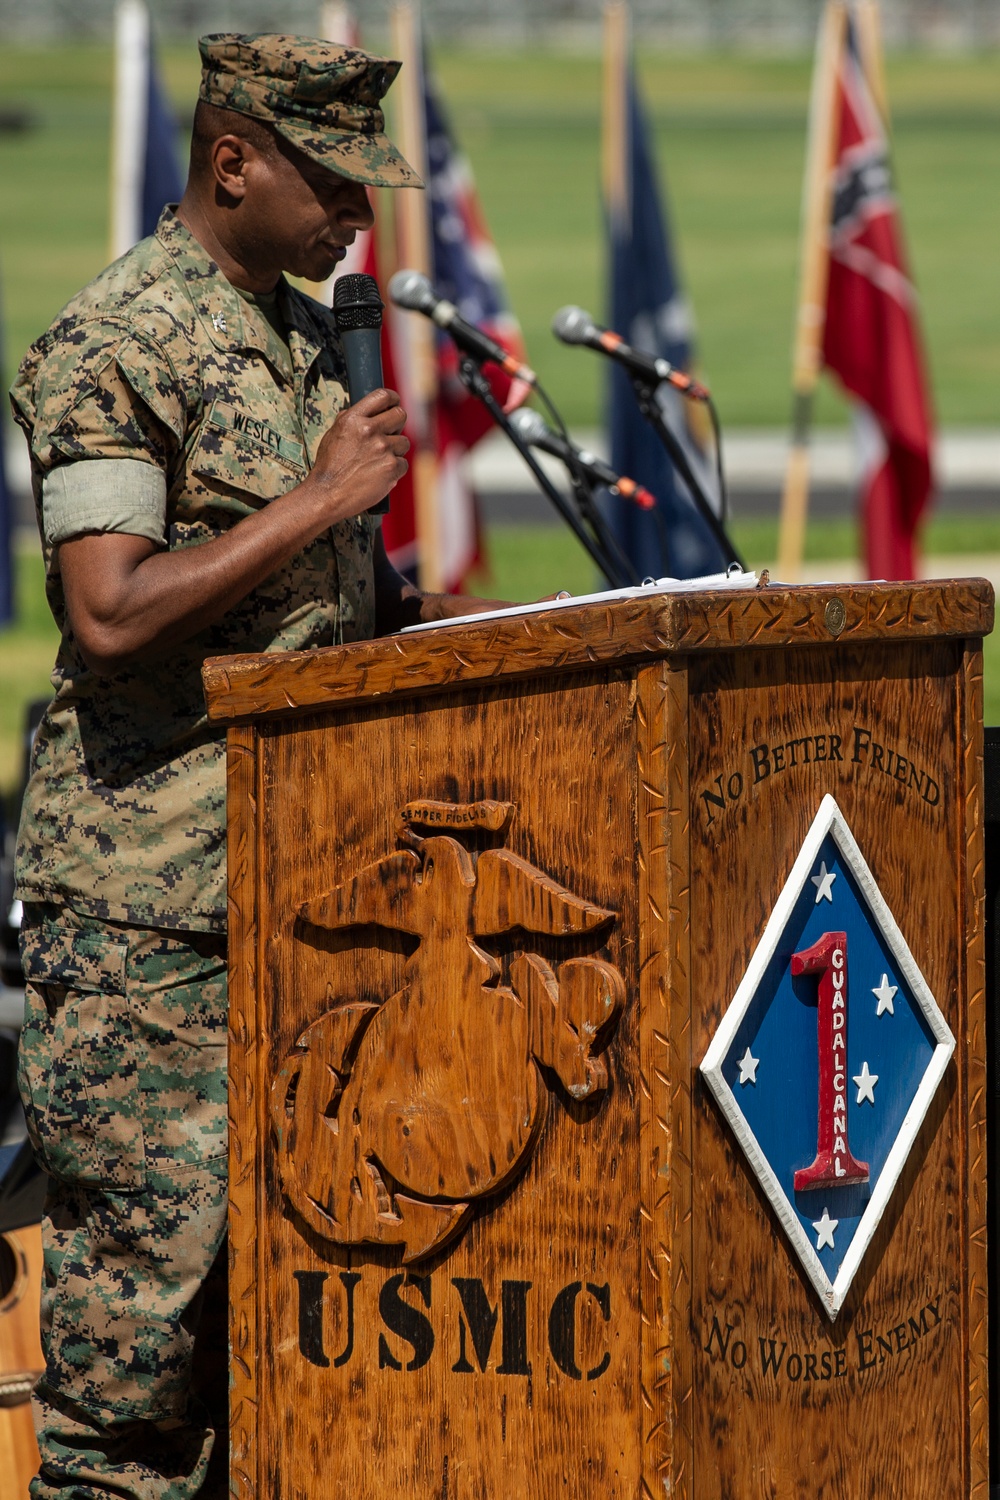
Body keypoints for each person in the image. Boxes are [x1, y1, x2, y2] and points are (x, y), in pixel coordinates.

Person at [10, 33, 502, 1500]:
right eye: (333, 179)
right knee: (139, 1374)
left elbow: (307, 613)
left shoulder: (302, 342)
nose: (362, 215)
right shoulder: (116, 341)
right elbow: (108, 611)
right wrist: (323, 500)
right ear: (233, 161)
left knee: (287, 1330)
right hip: (151, 921)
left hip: (310, 899)